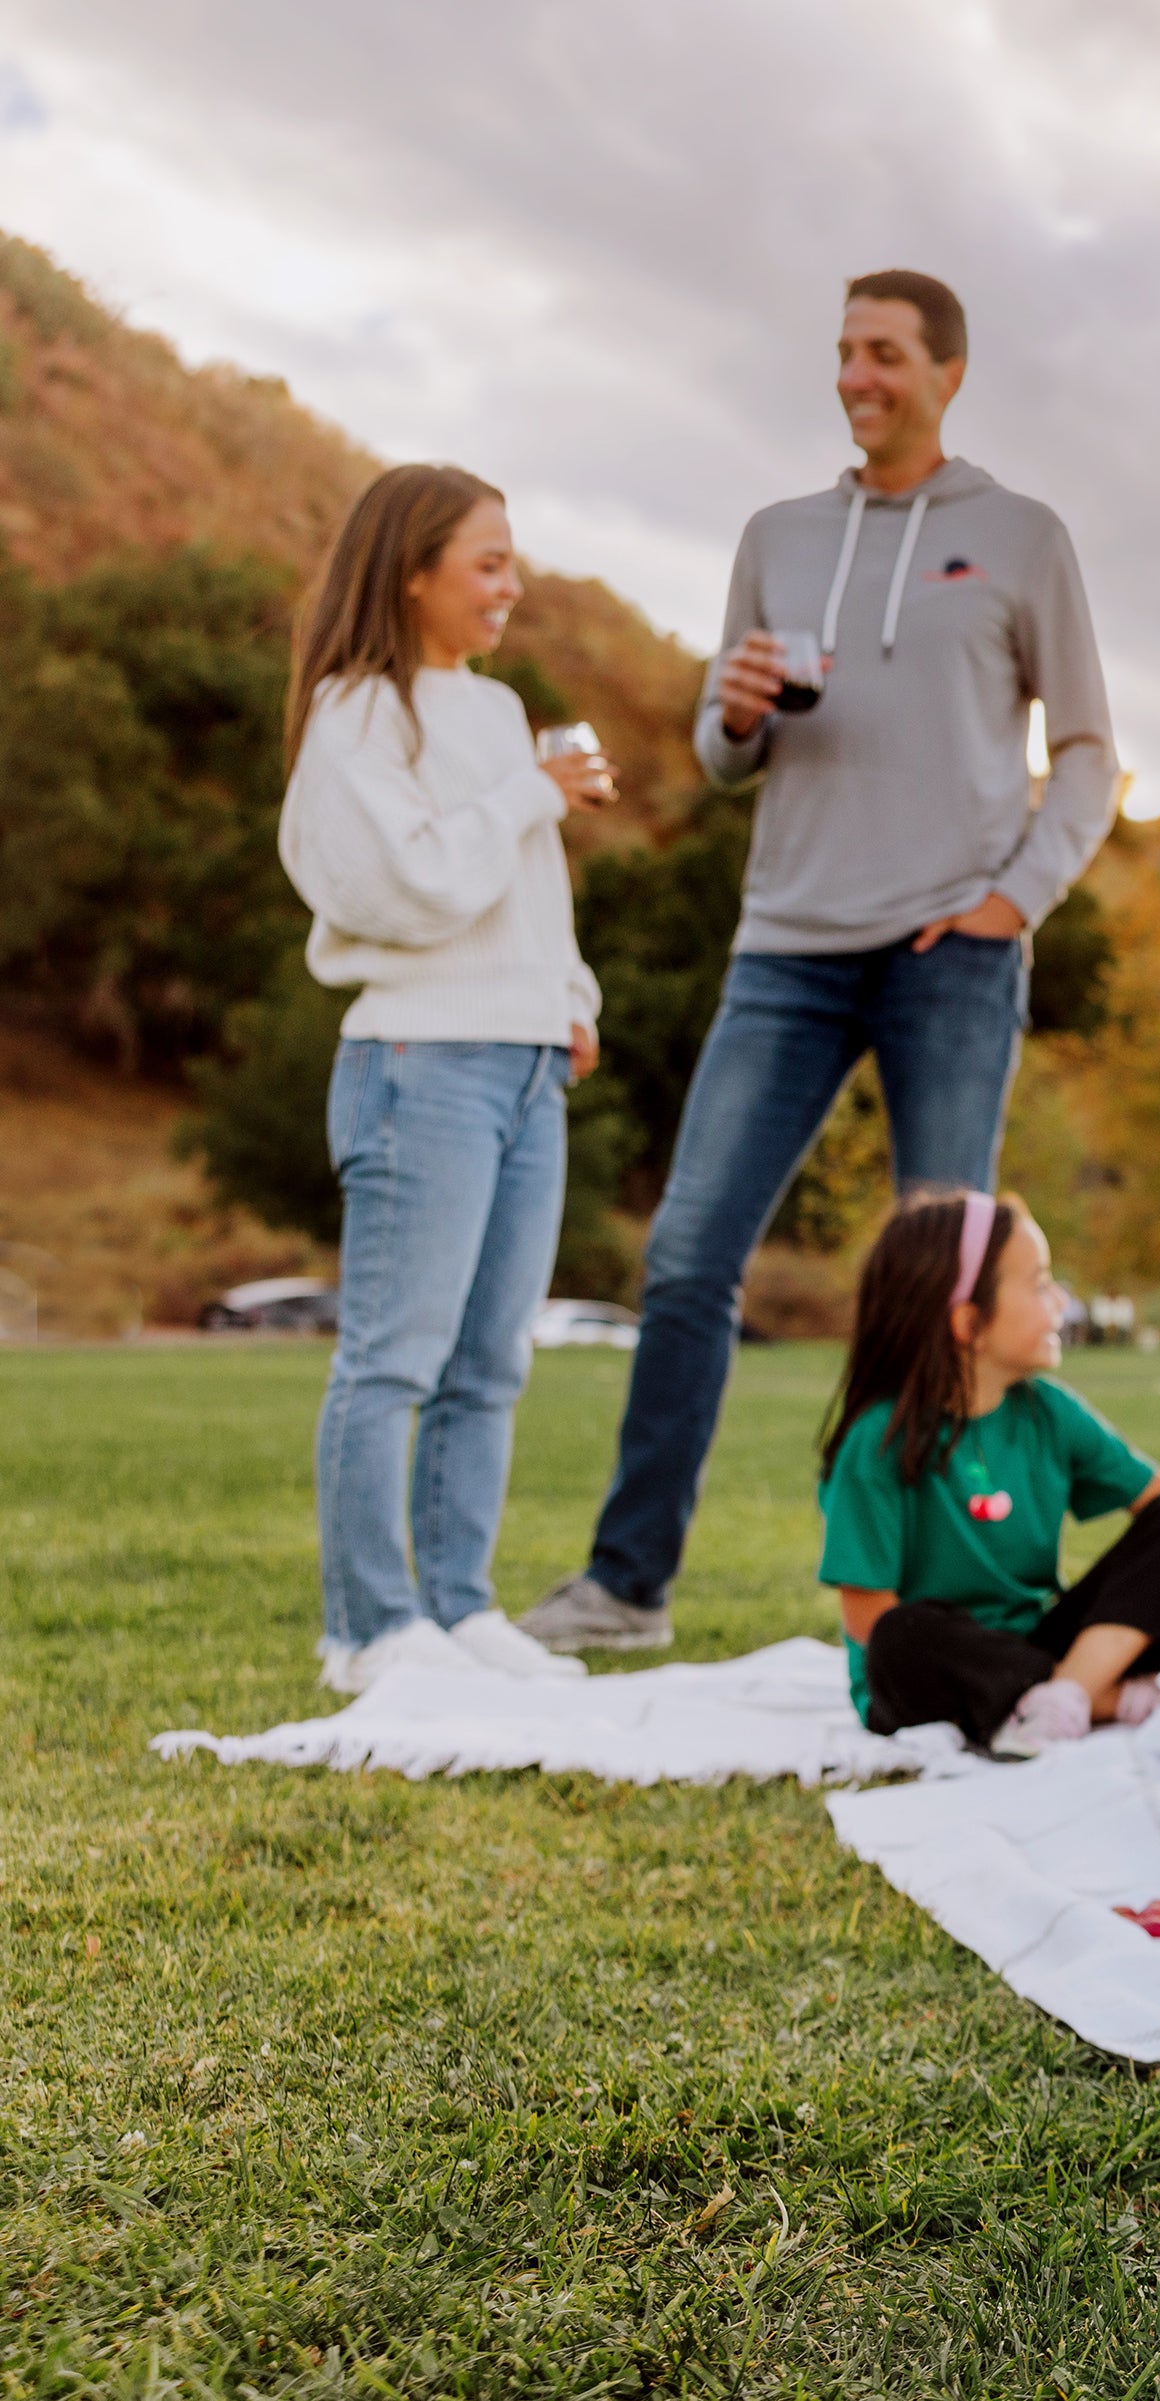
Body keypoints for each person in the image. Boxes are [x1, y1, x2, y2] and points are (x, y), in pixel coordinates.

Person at [522, 269, 1118, 1655]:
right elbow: (729, 757)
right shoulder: (780, 535)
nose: (859, 375)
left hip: (949, 952)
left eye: (888, 353)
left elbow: (1088, 749)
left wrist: (1016, 899)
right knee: (685, 1257)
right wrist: (724, 715)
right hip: (787, 946)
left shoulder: (1022, 537)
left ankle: (950, 1602)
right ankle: (626, 1587)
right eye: (846, 351)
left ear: (948, 373)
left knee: (951, 1289)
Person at [277, 464, 615, 1695]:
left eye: (512, 561)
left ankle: (460, 1607)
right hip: (421, 1062)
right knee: (394, 1357)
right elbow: (403, 886)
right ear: (412, 569)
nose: (510, 586)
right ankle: (369, 1626)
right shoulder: (356, 713)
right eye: (487, 562)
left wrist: (564, 1003)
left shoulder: (496, 707)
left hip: (525, 1067)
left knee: (492, 1362)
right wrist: (533, 792)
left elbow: (529, 894)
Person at [816, 1189, 1160, 1756]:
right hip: (940, 1665)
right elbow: (866, 1621)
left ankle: (1061, 1697)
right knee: (899, 1639)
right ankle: (1097, 1699)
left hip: (1035, 1638)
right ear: (969, 1322)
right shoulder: (878, 1441)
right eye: (1039, 1283)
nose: (1060, 1300)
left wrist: (1070, 1663)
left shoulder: (1049, 1411)